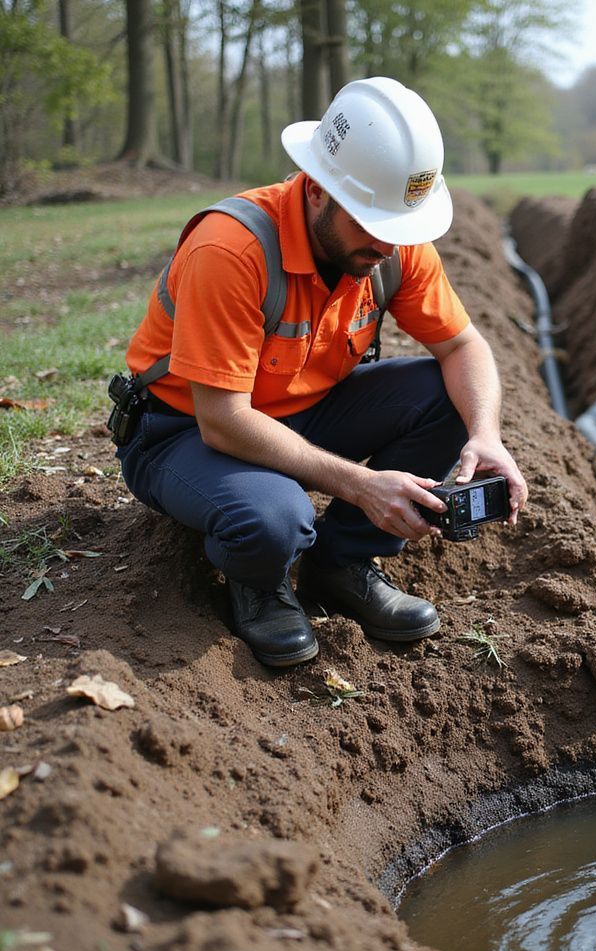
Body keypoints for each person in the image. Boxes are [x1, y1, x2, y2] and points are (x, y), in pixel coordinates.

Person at [113, 77, 528, 668]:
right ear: (314, 191)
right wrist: (360, 484)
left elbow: (465, 348)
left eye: (398, 229)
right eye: (370, 224)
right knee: (277, 517)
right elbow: (223, 420)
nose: (387, 247)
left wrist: (485, 433)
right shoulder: (231, 251)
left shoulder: (394, 243)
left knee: (450, 398)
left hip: (301, 409)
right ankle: (259, 580)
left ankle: (341, 563)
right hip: (185, 432)